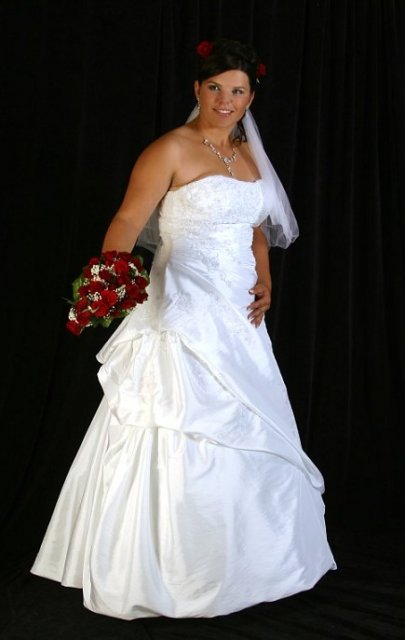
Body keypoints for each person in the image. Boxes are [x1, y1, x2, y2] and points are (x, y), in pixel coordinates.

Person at [31, 38, 336, 620]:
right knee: (171, 418)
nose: (226, 100)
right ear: (197, 89)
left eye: (238, 91)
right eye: (216, 87)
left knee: (248, 425)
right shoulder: (169, 148)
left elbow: (254, 224)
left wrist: (265, 276)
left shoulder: (248, 155)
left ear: (250, 98)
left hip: (237, 317)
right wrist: (111, 279)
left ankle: (250, 561)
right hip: (181, 307)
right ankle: (161, 567)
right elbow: (128, 218)